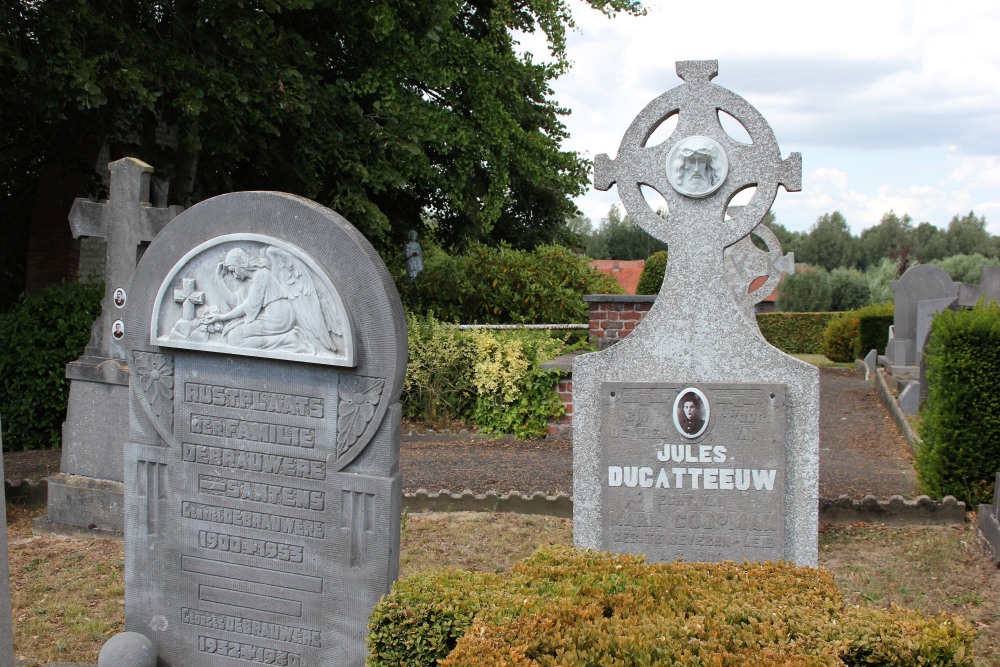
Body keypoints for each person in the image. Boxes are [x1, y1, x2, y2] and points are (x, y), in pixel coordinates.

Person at [201, 247, 340, 355]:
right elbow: (234, 303)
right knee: (231, 335)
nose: (234, 275)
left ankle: (293, 341)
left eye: (233, 270)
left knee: (234, 338)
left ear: (241, 264)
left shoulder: (262, 274)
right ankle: (290, 340)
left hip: (279, 317)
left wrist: (221, 317)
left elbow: (248, 306)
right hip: (270, 316)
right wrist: (219, 279)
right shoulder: (249, 282)